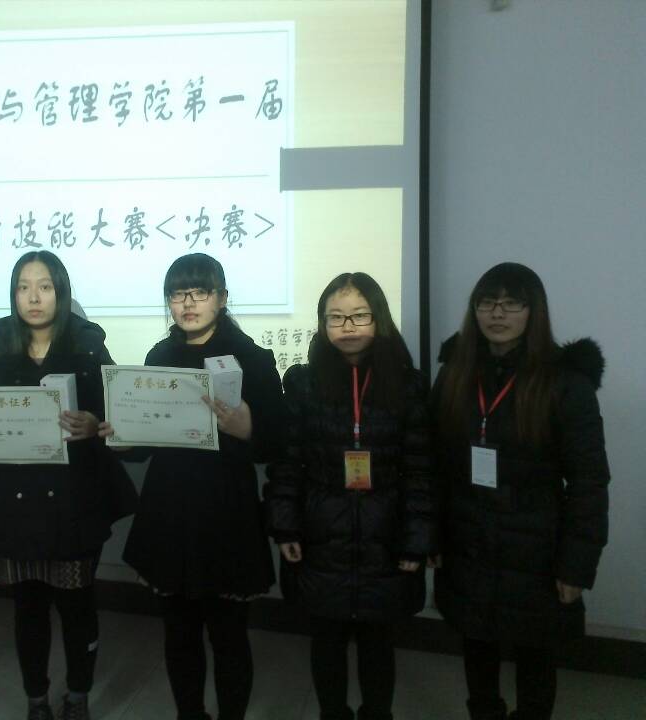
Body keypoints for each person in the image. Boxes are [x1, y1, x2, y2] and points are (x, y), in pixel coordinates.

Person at [0, 250, 135, 720]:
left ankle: (78, 695)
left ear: (60, 292)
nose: (33, 297)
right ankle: (37, 699)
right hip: (15, 499)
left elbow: (117, 413)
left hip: (74, 499)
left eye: (44, 286)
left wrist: (94, 423)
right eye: (23, 287)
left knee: (77, 605)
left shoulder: (88, 343)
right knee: (28, 608)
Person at [98, 253, 286, 720]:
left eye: (199, 292)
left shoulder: (253, 359)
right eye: (178, 293)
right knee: (178, 634)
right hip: (170, 510)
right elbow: (145, 444)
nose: (188, 303)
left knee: (229, 635)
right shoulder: (159, 358)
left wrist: (249, 429)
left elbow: (280, 442)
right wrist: (122, 439)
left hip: (227, 513)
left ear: (221, 298)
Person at [431, 262, 610, 720]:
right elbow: (435, 464)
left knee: (536, 655)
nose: (498, 313)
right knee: (477, 648)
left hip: (536, 547)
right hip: (468, 538)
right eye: (487, 302)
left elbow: (589, 482)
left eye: (512, 303)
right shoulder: (455, 373)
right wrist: (433, 536)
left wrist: (576, 565)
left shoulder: (565, 382)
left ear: (534, 312)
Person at [264, 272, 433, 720]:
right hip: (322, 536)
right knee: (327, 644)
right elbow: (287, 462)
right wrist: (285, 527)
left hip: (387, 537)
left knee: (379, 644)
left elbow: (421, 469)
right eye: (336, 317)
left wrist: (417, 542)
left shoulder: (409, 385)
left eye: (360, 315)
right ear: (323, 324)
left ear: (379, 319)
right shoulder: (303, 383)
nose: (348, 326)